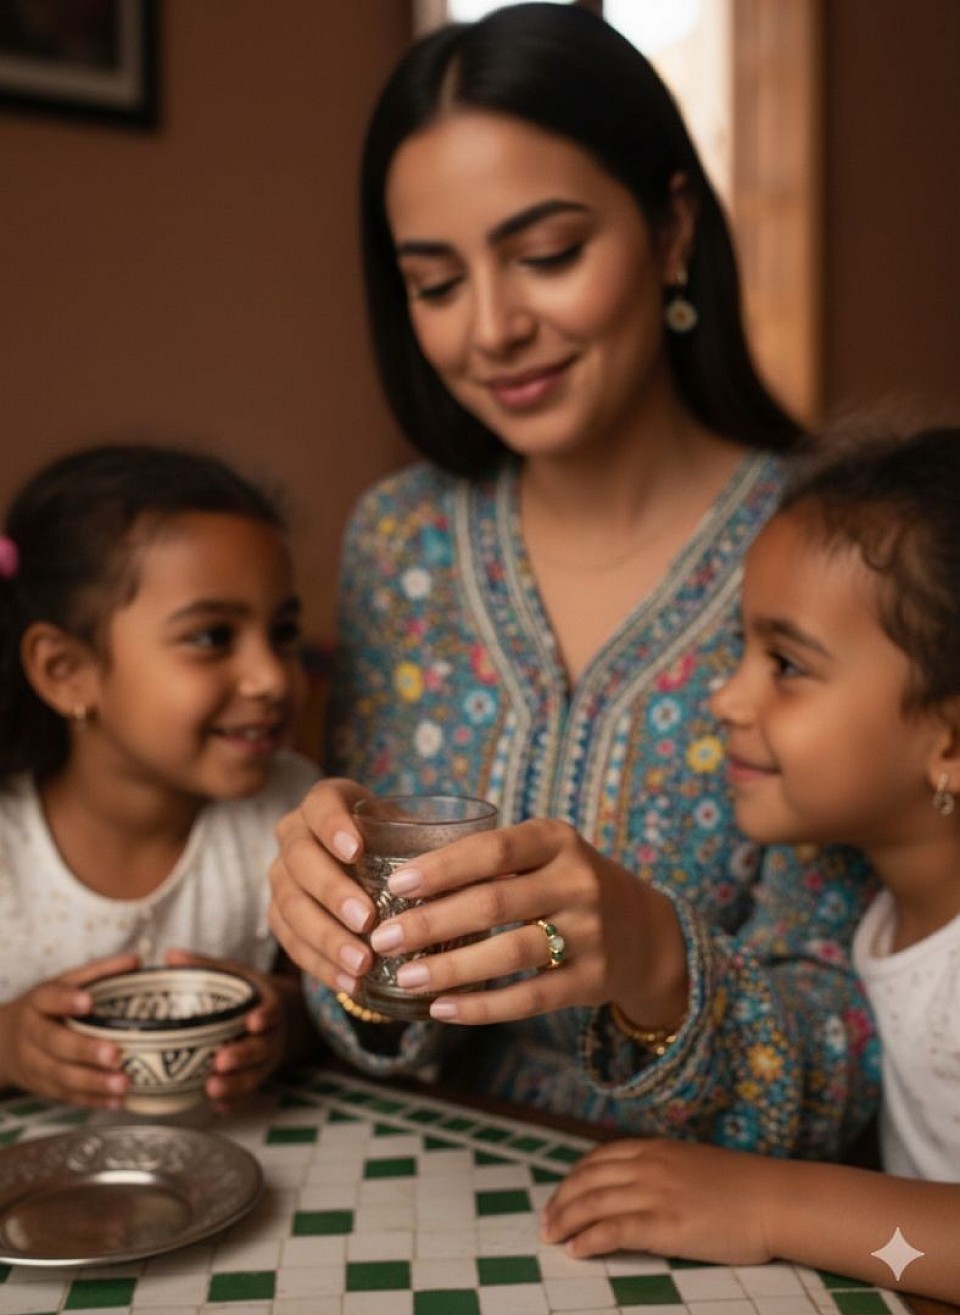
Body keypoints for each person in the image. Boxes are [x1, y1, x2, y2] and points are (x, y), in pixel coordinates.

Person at [269, 2, 877, 1155]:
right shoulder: (399, 546)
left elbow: (858, 1078)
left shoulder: (835, 550)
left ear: (672, 229)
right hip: (412, 1182)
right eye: (437, 283)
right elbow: (371, 1026)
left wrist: (650, 955)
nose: (494, 327)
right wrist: (342, 945)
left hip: (720, 1231)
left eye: (547, 255)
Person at [540, 425, 960, 1303]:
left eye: (787, 664)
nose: (726, 698)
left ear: (951, 737)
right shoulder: (881, 908)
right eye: (741, 651)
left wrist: (772, 1205)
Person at [0, 442, 319, 1109]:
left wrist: (284, 1022)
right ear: (66, 671)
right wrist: (8, 1044)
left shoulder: (292, 813)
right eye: (211, 637)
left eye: (283, 632)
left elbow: (337, 1008)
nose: (271, 677)